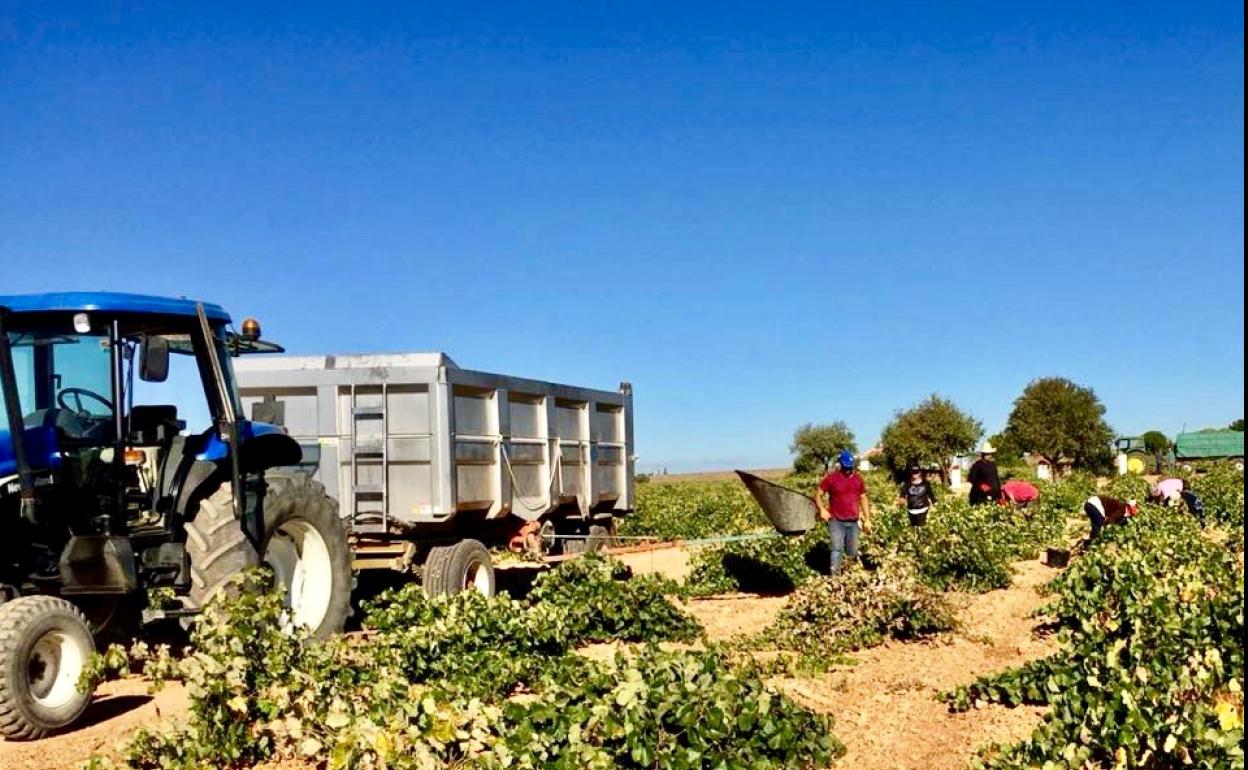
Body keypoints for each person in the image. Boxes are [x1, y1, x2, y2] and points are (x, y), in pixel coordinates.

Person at [816, 450, 872, 573]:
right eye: (846, 467)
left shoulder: (858, 479)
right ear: (840, 464)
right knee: (836, 548)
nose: (848, 470)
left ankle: (849, 575)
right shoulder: (832, 479)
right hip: (836, 521)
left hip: (853, 522)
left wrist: (867, 519)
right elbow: (818, 494)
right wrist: (822, 510)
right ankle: (835, 577)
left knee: (852, 550)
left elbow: (863, 498)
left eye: (850, 467)